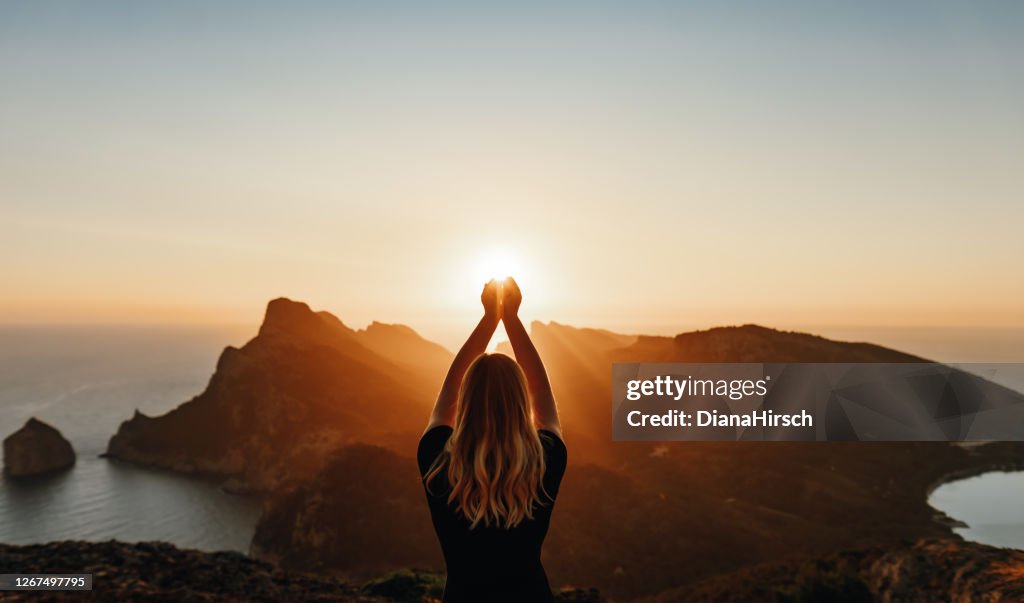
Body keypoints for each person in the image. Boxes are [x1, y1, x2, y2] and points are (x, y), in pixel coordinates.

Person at [418, 277, 567, 603]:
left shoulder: (437, 460)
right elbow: (543, 395)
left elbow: (448, 392)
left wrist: (489, 318)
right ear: (520, 402)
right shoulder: (544, 461)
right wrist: (511, 319)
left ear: (466, 400)